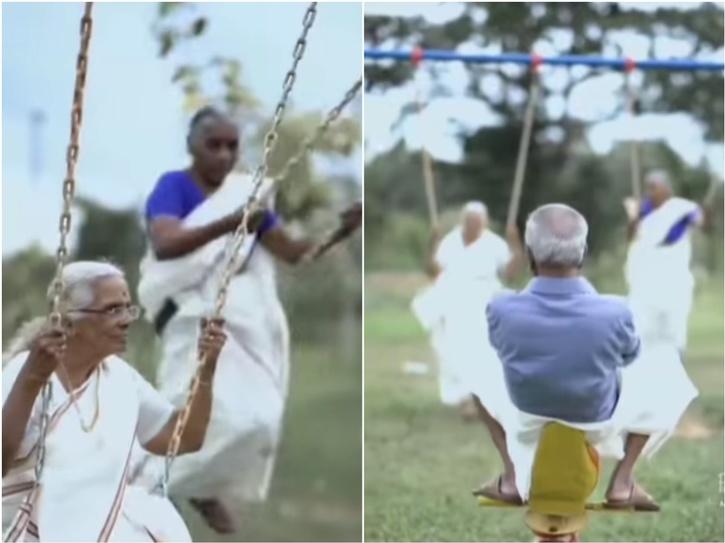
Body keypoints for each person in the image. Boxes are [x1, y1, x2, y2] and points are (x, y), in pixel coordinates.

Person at [133, 106, 361, 533]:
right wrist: (233, 223)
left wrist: (339, 232)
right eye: (213, 145)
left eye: (231, 146)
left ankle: (199, 485)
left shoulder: (248, 194)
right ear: (192, 146)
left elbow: (294, 254)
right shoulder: (175, 187)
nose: (223, 154)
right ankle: (153, 483)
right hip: (188, 314)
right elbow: (166, 244)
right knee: (186, 407)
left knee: (258, 416)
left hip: (242, 322)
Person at [474, 203, 697, 511]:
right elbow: (630, 356)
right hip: (596, 419)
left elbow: (498, 348)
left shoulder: (500, 307)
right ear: (583, 252)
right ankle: (623, 482)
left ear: (529, 254)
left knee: (474, 367)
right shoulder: (616, 311)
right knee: (668, 368)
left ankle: (512, 478)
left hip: (525, 416)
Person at [2, 261, 226, 541]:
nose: (127, 319)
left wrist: (206, 369)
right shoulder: (23, 372)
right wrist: (32, 378)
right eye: (112, 310)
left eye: (127, 308)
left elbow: (184, 437)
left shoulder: (118, 377)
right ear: (69, 321)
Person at [411, 201, 523, 419]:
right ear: (463, 221)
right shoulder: (450, 241)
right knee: (453, 350)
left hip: (483, 301)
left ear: (484, 223)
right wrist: (432, 242)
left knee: (482, 350)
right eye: (469, 221)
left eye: (477, 222)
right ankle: (464, 398)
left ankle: (477, 398)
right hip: (454, 300)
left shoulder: (494, 243)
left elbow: (510, 273)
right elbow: (433, 271)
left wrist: (515, 244)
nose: (473, 226)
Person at [624, 169, 708, 353]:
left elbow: (699, 221)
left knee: (675, 330)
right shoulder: (642, 209)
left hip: (674, 277)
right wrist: (633, 216)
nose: (650, 192)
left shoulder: (682, 208)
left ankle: (677, 363)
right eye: (648, 187)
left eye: (654, 187)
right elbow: (630, 236)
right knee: (641, 327)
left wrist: (702, 216)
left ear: (666, 189)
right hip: (646, 277)